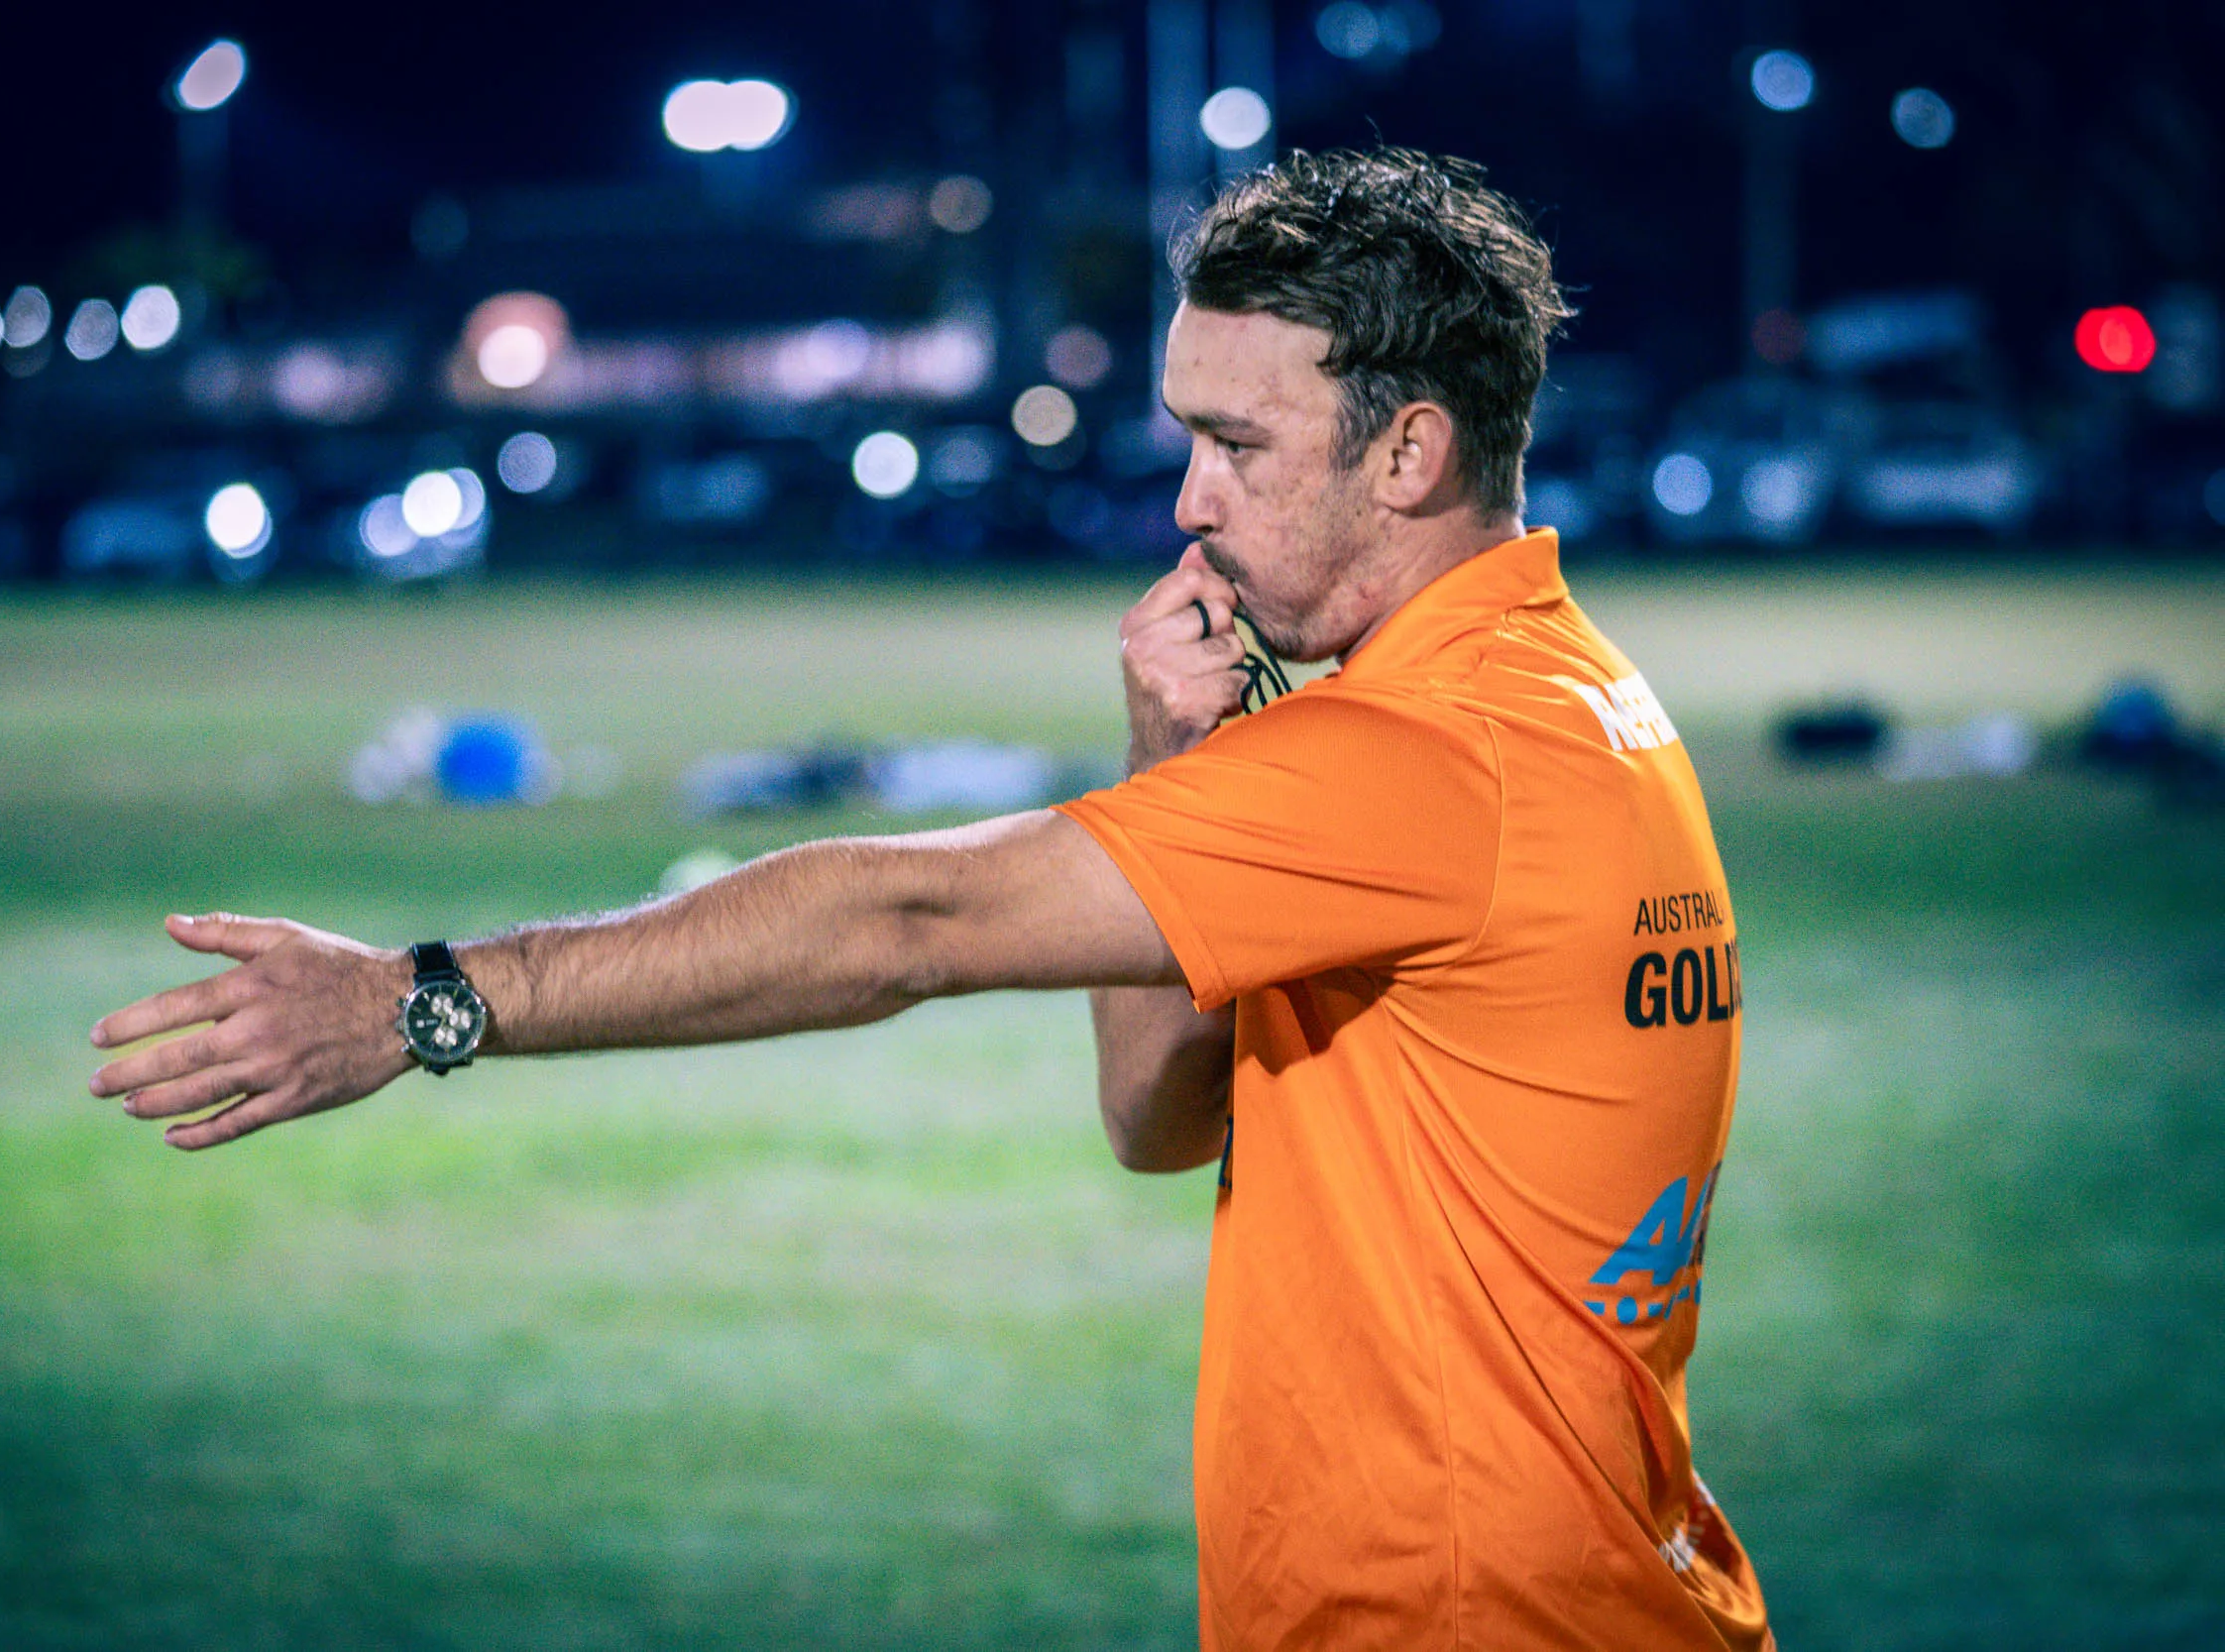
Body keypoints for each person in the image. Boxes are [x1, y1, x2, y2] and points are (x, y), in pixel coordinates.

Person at [89, 147, 1772, 1651]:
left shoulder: (1425, 758)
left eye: (1237, 444)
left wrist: (420, 999)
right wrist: (1165, 756)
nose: (1190, 499)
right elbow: (1154, 1110)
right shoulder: (1564, 696)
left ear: (1409, 451)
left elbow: (910, 923)